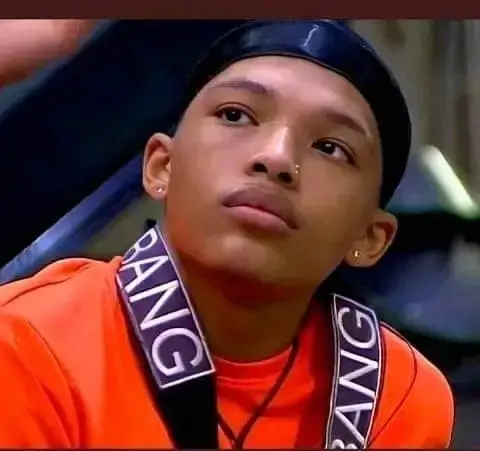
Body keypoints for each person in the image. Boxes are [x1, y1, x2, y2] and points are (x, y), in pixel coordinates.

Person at [0, 20, 454, 449]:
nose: (277, 158)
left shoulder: (401, 397)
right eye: (235, 115)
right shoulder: (28, 345)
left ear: (370, 237)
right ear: (162, 166)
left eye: (331, 148)